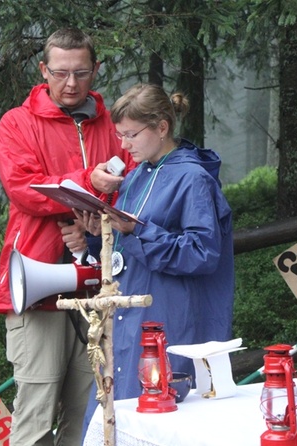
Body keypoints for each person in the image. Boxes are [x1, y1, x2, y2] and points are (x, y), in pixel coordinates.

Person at [0, 28, 135, 446]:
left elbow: (136, 185)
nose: (71, 84)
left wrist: (92, 225)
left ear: (96, 70)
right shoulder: (17, 123)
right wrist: (89, 184)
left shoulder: (115, 124)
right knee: (36, 411)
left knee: (89, 410)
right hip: (38, 285)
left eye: (81, 72)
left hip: (102, 283)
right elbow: (25, 189)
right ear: (43, 70)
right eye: (60, 73)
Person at [77, 83, 235, 429]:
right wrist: (95, 237)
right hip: (126, 319)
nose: (124, 145)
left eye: (131, 134)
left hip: (167, 319)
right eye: (120, 135)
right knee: (111, 421)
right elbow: (125, 249)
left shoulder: (193, 179)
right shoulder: (134, 177)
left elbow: (202, 254)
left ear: (162, 127)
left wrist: (139, 231)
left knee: (156, 422)